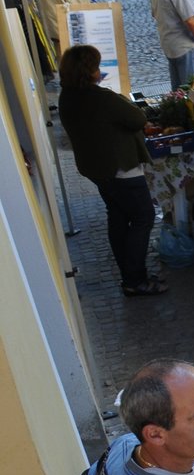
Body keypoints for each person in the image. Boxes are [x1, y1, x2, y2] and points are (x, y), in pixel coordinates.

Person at [56, 44, 165, 296]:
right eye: (96, 66)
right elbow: (138, 119)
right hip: (119, 168)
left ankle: (129, 275)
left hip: (95, 168)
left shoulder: (67, 96)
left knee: (117, 216)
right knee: (142, 217)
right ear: (90, 71)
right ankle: (135, 280)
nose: (98, 70)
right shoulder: (101, 98)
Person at [150, 0, 194, 90]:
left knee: (178, 93)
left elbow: (154, 14)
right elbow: (190, 21)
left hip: (169, 45)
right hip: (184, 46)